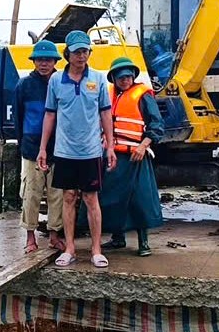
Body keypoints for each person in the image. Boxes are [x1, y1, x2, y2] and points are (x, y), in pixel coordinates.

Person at [37, 30, 116, 268]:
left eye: (85, 51)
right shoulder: (55, 80)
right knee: (69, 197)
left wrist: (110, 146)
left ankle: (96, 250)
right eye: (77, 52)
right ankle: (70, 248)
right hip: (64, 151)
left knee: (91, 198)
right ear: (67, 54)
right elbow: (50, 115)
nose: (82, 56)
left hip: (91, 151)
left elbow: (105, 114)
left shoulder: (99, 79)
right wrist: (43, 148)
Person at [99, 57, 164, 256]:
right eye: (121, 77)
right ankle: (118, 238)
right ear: (114, 78)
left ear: (133, 77)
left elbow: (157, 124)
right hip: (112, 155)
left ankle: (144, 242)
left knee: (139, 199)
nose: (125, 80)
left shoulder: (143, 96)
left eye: (128, 76)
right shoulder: (108, 94)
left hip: (136, 156)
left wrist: (143, 146)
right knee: (112, 198)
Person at [14, 40, 65, 254]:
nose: (44, 64)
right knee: (31, 193)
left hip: (59, 148)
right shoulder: (24, 85)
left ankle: (54, 235)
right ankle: (30, 237)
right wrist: (23, 144)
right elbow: (18, 118)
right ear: (34, 62)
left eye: (48, 60)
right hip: (32, 148)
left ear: (55, 62)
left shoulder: (62, 82)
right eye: (40, 60)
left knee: (57, 194)